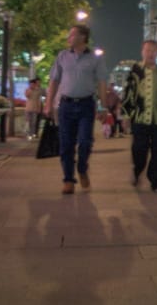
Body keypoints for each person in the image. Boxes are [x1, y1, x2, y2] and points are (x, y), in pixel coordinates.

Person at [44, 24, 109, 194]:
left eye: (72, 35)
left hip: (86, 105)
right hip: (66, 105)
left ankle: (82, 168)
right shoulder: (62, 56)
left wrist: (103, 107)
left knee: (85, 141)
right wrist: (48, 103)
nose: (68, 37)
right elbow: (53, 81)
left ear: (82, 37)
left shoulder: (95, 59)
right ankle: (68, 179)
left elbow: (102, 83)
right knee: (66, 144)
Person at [122, 40, 157, 193]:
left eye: (153, 51)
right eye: (147, 50)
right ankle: (137, 171)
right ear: (142, 52)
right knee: (139, 150)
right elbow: (128, 93)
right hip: (140, 118)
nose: (150, 53)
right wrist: (126, 115)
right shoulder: (135, 71)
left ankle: (156, 182)